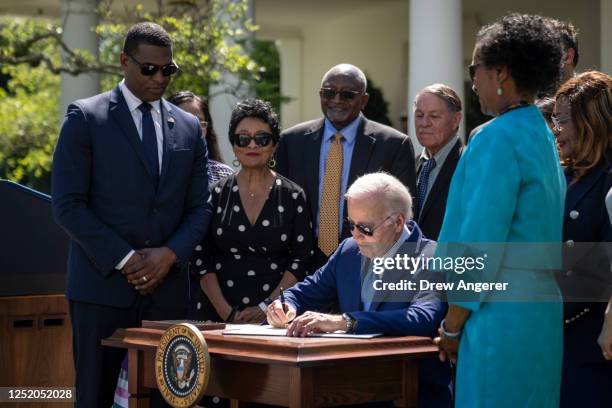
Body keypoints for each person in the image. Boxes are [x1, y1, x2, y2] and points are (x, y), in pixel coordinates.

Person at [52, 22, 211, 407]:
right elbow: (67, 204)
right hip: (101, 288)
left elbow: (200, 207)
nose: (160, 78)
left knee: (169, 399)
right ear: (125, 61)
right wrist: (127, 260)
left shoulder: (189, 127)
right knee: (95, 397)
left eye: (168, 70)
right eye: (149, 69)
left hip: (167, 290)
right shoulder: (86, 118)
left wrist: (168, 255)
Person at [434, 14, 566, 407]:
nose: (471, 80)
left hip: (497, 315)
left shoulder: (494, 138)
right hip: (540, 313)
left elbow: (478, 247)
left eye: (474, 68)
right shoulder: (541, 133)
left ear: (500, 72)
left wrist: (452, 327)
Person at [267, 172, 451, 408]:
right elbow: (304, 292)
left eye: (365, 228)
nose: (355, 235)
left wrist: (345, 322)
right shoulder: (348, 251)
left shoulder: (432, 256)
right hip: (350, 392)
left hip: (411, 394)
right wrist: (285, 306)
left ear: (398, 222)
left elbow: (422, 318)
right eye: (351, 224)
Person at [275, 63, 416, 270]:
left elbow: (403, 217)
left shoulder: (394, 145)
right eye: (329, 93)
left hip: (367, 264)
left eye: (348, 95)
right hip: (302, 265)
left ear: (364, 100)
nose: (337, 100)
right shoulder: (291, 141)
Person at [192, 98, 313, 324]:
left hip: (276, 315)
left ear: (274, 144)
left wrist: (266, 307)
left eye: (262, 138)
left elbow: (301, 259)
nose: (252, 145)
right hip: (216, 314)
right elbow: (200, 257)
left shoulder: (294, 196)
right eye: (243, 138)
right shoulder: (215, 194)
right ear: (233, 144)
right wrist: (225, 311)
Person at [552, 70, 612, 407]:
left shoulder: (608, 179)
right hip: (552, 337)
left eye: (562, 121)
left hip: (592, 343)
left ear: (591, 120)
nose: (555, 130)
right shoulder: (560, 176)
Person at [413, 84, 463, 240]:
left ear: (456, 120)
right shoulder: (412, 164)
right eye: (419, 115)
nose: (424, 123)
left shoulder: (469, 164)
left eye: (434, 116)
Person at [168, 91, 234, 183]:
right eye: (182, 120)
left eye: (197, 122)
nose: (191, 128)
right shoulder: (152, 172)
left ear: (207, 127)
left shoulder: (224, 176)